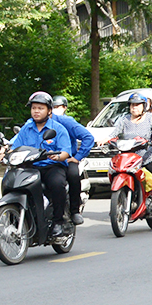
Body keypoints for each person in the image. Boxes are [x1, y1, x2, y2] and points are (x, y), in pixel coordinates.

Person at [101, 92, 152, 232]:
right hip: (129, 157)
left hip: (148, 157)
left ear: (144, 107)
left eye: (137, 105)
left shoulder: (149, 118)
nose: (134, 108)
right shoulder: (124, 119)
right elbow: (115, 133)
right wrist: (105, 140)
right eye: (132, 105)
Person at [8, 91, 75, 237]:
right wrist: (5, 155)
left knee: (57, 184)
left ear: (49, 110)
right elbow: (16, 147)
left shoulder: (58, 128)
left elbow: (65, 152)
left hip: (52, 166)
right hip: (30, 167)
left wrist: (57, 157)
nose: (36, 111)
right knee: (12, 182)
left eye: (40, 108)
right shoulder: (26, 128)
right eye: (34, 108)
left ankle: (59, 222)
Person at [51, 95, 95, 225]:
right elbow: (21, 136)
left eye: (57, 107)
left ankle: (74, 210)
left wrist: (77, 157)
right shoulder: (34, 122)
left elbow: (88, 137)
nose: (54, 110)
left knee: (72, 175)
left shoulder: (66, 122)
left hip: (67, 159)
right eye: (52, 107)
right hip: (45, 159)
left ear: (64, 108)